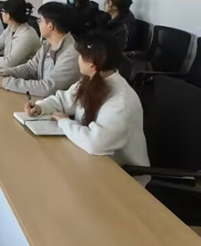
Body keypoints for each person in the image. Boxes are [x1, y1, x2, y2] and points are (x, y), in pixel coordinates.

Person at [24, 31, 150, 185]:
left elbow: (95, 143)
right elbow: (63, 100)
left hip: (124, 178)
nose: (78, 59)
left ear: (91, 64)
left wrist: (64, 122)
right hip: (90, 162)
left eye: (81, 56)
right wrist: (40, 107)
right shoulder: (92, 79)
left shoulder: (121, 102)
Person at [0, 2, 80, 97]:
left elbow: (48, 88)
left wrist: (5, 82)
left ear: (50, 26)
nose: (38, 23)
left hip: (53, 104)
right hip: (41, 101)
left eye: (40, 20)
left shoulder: (71, 54)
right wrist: (4, 73)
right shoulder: (47, 45)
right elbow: (30, 68)